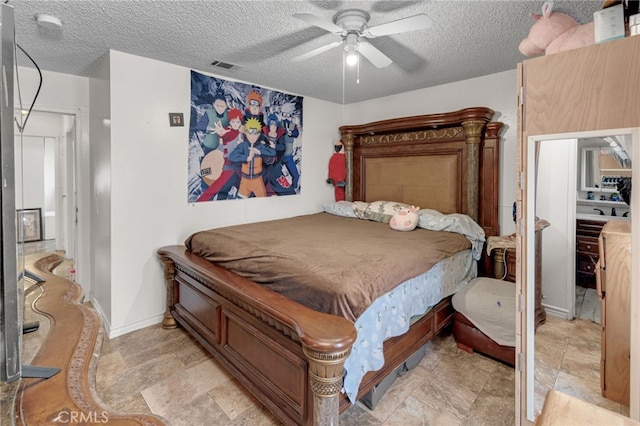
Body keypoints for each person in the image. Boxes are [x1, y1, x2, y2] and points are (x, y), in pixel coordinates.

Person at [197, 108, 244, 201]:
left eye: (237, 122)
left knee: (246, 191)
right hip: (228, 167)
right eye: (233, 121)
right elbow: (227, 136)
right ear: (230, 122)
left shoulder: (242, 133)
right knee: (217, 191)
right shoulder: (228, 131)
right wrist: (222, 135)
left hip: (240, 169)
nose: (235, 124)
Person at [230, 118, 275, 198]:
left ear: (258, 134)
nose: (252, 137)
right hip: (244, 181)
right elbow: (232, 157)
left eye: (255, 134)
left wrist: (260, 152)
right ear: (246, 133)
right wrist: (246, 158)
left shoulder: (261, 146)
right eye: (249, 133)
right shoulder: (243, 146)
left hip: (258, 181)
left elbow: (273, 152)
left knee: (262, 202)